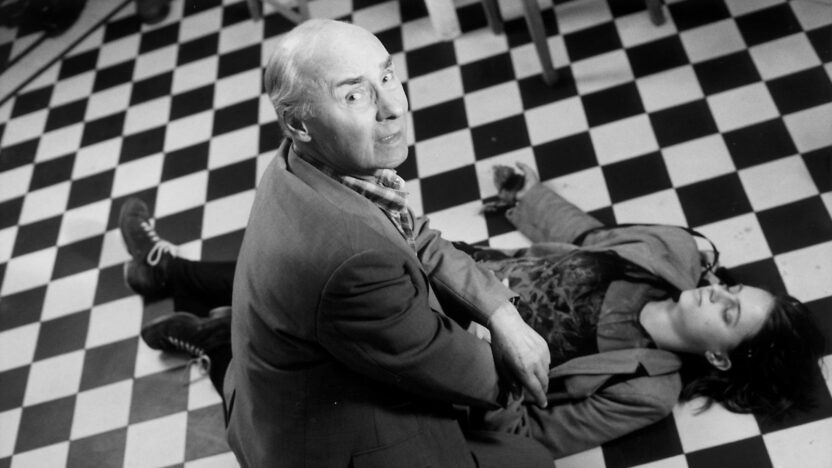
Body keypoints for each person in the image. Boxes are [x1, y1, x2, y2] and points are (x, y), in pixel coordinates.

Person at [120, 160, 825, 461]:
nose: (718, 292)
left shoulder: (648, 387)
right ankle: (175, 278)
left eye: (729, 313)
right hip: (465, 273)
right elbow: (588, 238)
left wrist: (484, 382)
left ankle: (215, 340)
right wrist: (526, 195)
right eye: (733, 288)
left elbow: (544, 433)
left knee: (309, 377)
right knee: (335, 254)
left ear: (720, 356)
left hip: (448, 352)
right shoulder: (664, 260)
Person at [228, 18, 553, 468]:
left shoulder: (301, 162)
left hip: (279, 401)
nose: (394, 107)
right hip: (326, 449)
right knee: (532, 462)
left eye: (386, 76)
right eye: (354, 95)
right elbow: (450, 366)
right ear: (298, 123)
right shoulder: (352, 259)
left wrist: (500, 312)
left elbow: (414, 237)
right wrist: (516, 367)